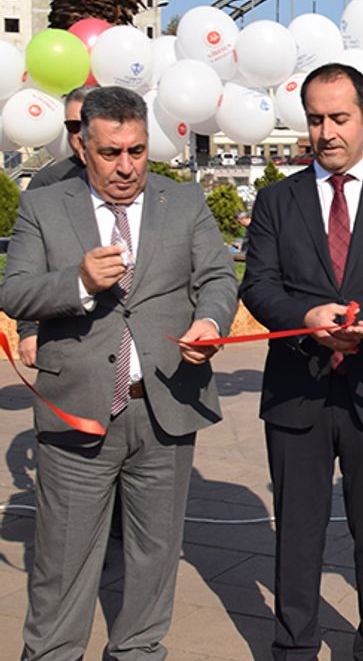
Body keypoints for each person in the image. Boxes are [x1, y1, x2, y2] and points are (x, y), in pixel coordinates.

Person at [0, 86, 237, 660]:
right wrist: (78, 282)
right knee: (62, 562)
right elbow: (15, 291)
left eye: (137, 151)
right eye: (111, 153)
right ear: (83, 147)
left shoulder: (183, 201)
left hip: (165, 410)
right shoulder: (44, 206)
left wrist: (210, 322)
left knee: (155, 557)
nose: (126, 167)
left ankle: (138, 651)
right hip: (77, 413)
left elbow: (217, 278)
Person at [239, 62, 363, 660]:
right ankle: (295, 645)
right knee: (297, 534)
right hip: (297, 390)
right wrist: (306, 319)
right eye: (315, 119)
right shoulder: (277, 200)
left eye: (339, 118)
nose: (326, 132)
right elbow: (258, 285)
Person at [19, 84, 95, 368]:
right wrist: (28, 330)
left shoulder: (136, 178)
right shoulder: (47, 184)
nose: (80, 133)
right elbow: (28, 266)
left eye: (87, 123)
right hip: (66, 329)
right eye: (73, 125)